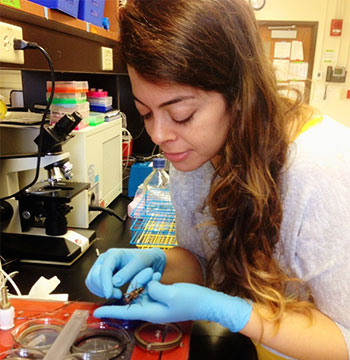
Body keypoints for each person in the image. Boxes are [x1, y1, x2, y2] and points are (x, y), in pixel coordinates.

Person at [85, 0, 350, 358]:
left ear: (240, 94)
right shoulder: (198, 153)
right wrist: (159, 262)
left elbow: (345, 340)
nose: (159, 135)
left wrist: (231, 311)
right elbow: (201, 256)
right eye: (145, 112)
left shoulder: (320, 170)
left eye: (182, 114)